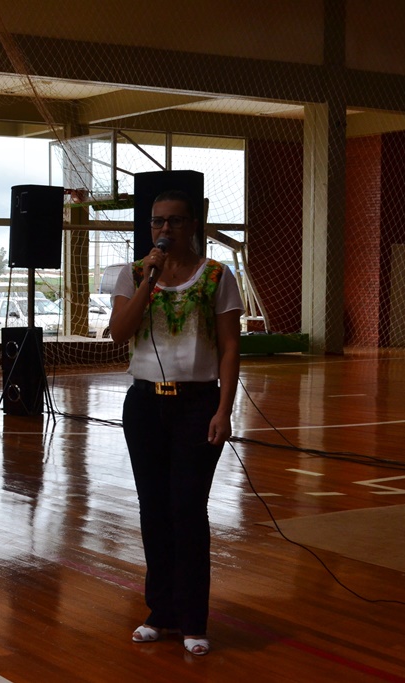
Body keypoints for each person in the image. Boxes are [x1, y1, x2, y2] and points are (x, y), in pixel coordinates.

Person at [110, 189, 242, 657]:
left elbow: (230, 346)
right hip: (144, 404)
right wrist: (149, 281)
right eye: (157, 221)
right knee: (153, 509)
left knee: (187, 509)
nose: (164, 229)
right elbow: (119, 332)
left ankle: (192, 619)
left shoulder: (217, 276)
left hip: (197, 404)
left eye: (175, 221)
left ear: (193, 226)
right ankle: (160, 612)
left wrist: (223, 410)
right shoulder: (133, 274)